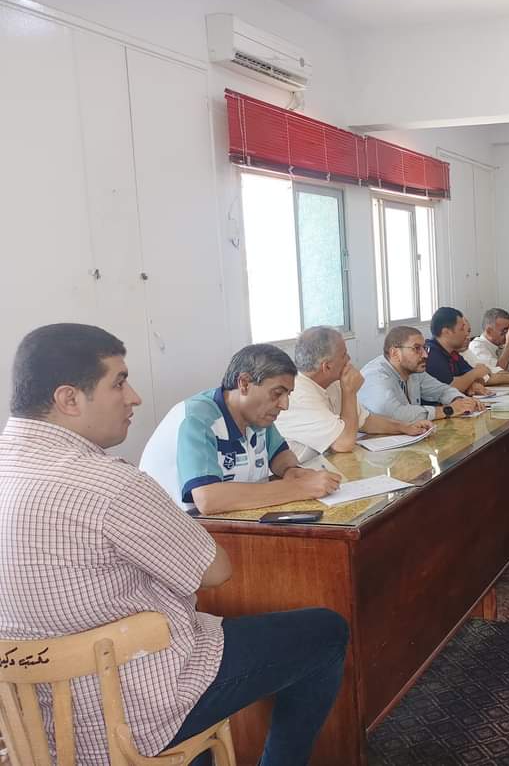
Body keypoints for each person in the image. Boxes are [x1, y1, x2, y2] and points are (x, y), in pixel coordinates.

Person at [0, 323, 347, 766]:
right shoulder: (109, 483)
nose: (134, 398)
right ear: (69, 399)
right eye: (119, 383)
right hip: (126, 710)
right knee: (325, 632)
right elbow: (215, 571)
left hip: (29, 724)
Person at [140, 344, 341, 514]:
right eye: (277, 393)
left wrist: (292, 471)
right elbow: (208, 499)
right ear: (244, 383)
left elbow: (280, 455)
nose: (284, 404)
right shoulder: (198, 419)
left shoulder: (257, 415)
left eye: (288, 394)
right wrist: (298, 488)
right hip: (176, 531)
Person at [273, 326, 432, 463]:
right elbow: (343, 443)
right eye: (344, 355)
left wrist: (404, 427)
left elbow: (366, 420)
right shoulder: (298, 394)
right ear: (326, 367)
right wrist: (349, 392)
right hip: (298, 473)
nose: (349, 359)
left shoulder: (333, 382)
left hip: (328, 466)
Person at [359, 325, 482, 422]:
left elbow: (442, 390)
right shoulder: (375, 376)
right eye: (416, 348)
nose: (425, 355)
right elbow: (395, 414)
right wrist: (448, 410)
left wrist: (462, 401)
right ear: (395, 353)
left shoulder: (414, 371)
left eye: (424, 348)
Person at [425, 307, 509, 393]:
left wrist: (474, 383)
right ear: (446, 332)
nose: (466, 334)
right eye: (462, 329)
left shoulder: (453, 353)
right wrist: (474, 374)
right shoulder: (432, 354)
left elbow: (482, 376)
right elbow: (450, 386)